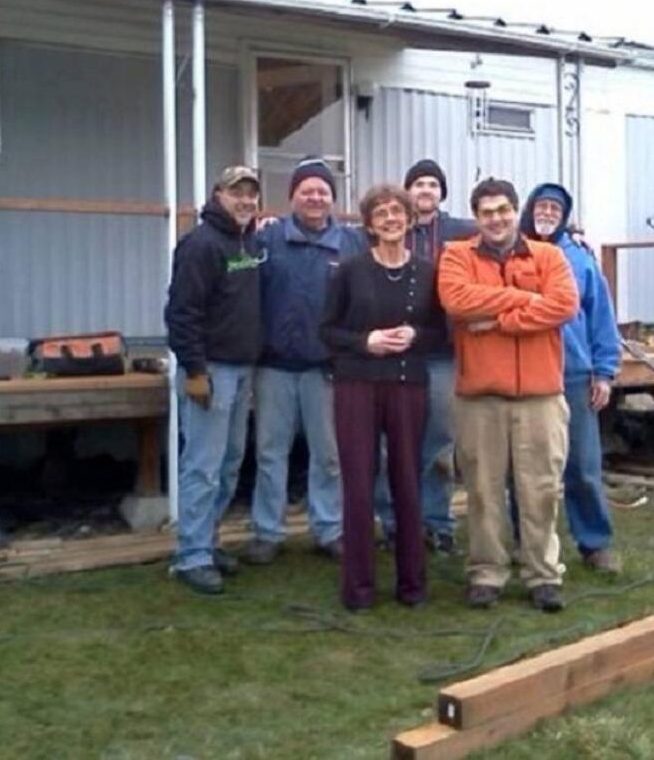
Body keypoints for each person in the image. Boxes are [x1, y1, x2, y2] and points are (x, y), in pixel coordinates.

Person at [437, 178, 579, 612]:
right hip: (480, 396)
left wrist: (500, 321)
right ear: (476, 218)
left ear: (515, 211)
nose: (496, 219)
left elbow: (564, 305)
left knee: (541, 488)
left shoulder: (549, 255)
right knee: (482, 490)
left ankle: (542, 574)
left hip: (540, 395)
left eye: (503, 210)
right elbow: (457, 299)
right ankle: (487, 572)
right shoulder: (456, 255)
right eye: (486, 212)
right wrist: (522, 298)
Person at [321, 185, 446, 610]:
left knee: (407, 479)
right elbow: (327, 331)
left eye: (398, 211)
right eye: (381, 213)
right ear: (369, 223)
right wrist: (365, 340)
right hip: (357, 383)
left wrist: (416, 335)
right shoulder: (349, 271)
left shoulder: (429, 272)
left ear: (410, 219)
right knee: (358, 481)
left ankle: (412, 584)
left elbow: (442, 332)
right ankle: (358, 589)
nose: (391, 218)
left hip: (408, 384)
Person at [244, 158, 365, 565]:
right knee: (269, 453)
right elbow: (235, 272)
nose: (315, 197)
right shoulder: (266, 240)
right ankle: (266, 532)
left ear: (333, 198)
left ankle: (329, 528)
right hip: (274, 366)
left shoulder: (351, 244)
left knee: (329, 454)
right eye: (307, 190)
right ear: (291, 196)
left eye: (323, 191)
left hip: (325, 369)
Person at [164, 166, 264, 595]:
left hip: (243, 371)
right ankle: (192, 556)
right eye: (236, 192)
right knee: (202, 467)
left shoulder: (248, 243)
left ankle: (208, 541)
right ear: (218, 195)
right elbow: (181, 313)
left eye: (252, 194)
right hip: (211, 371)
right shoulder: (200, 245)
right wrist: (195, 370)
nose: (245, 201)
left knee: (228, 464)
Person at [520, 184, 623, 574]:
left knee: (582, 465)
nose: (546, 213)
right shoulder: (513, 253)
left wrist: (605, 372)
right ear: (529, 211)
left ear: (563, 216)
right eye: (540, 206)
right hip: (526, 374)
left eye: (554, 208)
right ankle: (524, 541)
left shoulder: (580, 259)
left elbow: (601, 318)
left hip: (575, 374)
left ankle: (595, 542)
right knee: (525, 467)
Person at [375, 158, 476, 554]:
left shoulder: (462, 234)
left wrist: (566, 234)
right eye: (418, 184)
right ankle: (394, 522)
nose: (425, 190)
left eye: (432, 184)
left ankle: (437, 522)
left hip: (442, 354)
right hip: (395, 353)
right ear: (407, 192)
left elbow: (507, 237)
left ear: (441, 193)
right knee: (390, 443)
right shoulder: (390, 228)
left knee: (437, 445)